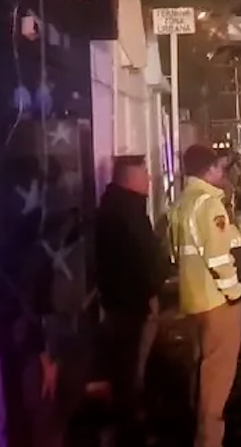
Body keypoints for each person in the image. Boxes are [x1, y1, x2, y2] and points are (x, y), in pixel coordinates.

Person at [167, 145, 241, 447]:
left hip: (192, 298)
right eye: (219, 167)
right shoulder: (208, 205)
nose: (222, 173)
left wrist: (234, 234)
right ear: (210, 169)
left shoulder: (181, 204)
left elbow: (178, 252)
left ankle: (197, 424)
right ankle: (208, 439)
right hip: (216, 301)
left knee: (200, 365)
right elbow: (217, 257)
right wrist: (234, 291)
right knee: (217, 375)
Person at [94, 155, 167, 446]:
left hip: (123, 301)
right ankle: (131, 429)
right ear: (129, 179)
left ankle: (130, 420)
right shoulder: (127, 212)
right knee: (129, 366)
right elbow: (140, 259)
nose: (149, 179)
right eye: (144, 174)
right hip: (132, 304)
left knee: (127, 365)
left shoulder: (119, 207)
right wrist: (150, 292)